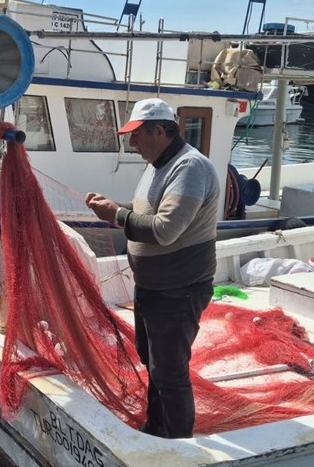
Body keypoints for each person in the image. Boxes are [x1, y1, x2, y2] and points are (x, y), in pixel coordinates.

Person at [84, 97, 219, 438]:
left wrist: (115, 215)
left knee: (170, 374)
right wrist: (117, 206)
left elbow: (164, 229)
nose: (132, 144)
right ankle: (156, 427)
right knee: (153, 363)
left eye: (137, 135)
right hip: (153, 287)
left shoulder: (189, 168)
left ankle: (176, 445)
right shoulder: (159, 164)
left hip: (179, 288)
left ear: (160, 131)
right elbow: (148, 209)